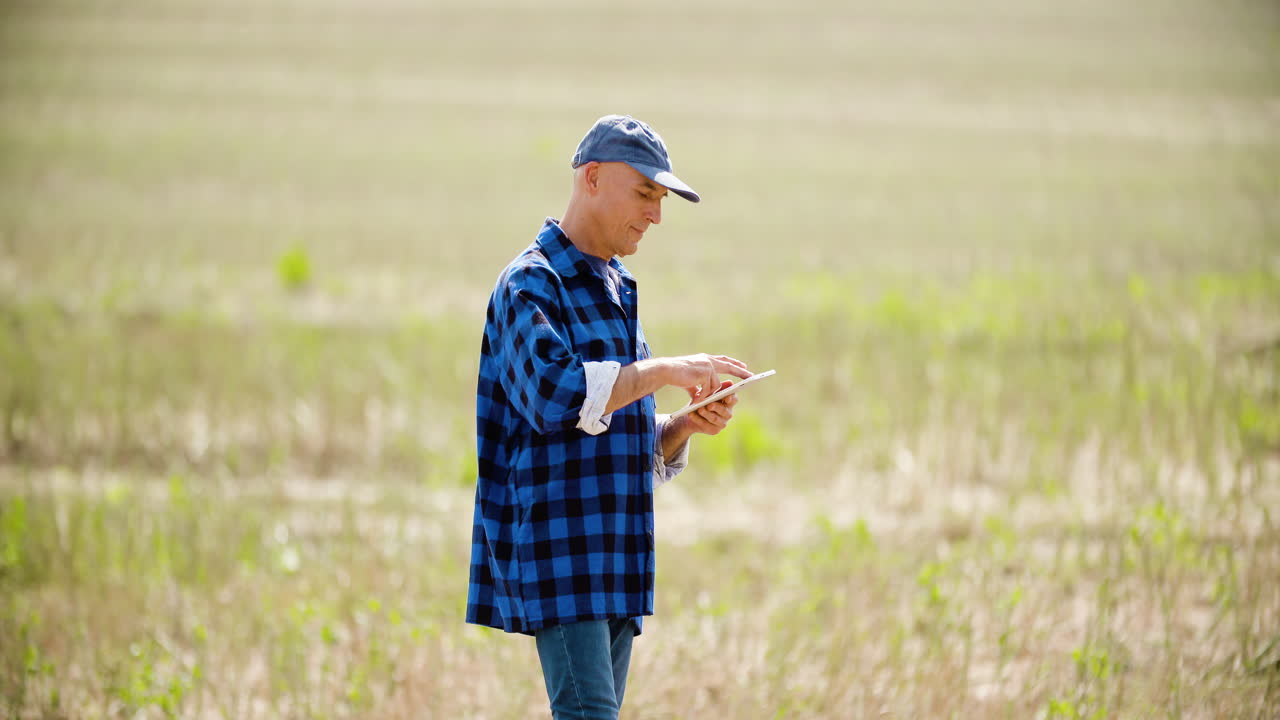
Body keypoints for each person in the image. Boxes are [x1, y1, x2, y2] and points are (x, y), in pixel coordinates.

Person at [466, 115, 753, 719]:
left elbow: (615, 428)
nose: (656, 214)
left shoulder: (617, 286)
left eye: (662, 198)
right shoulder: (529, 285)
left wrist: (681, 426)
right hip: (561, 552)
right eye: (646, 192)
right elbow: (557, 397)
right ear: (592, 178)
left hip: (616, 555)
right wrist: (668, 370)